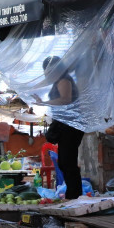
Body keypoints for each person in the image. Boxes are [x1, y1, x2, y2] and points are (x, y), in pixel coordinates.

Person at [41, 55, 85, 200]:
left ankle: (75, 196)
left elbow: (65, 99)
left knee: (67, 162)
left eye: (49, 72)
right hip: (66, 125)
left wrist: (45, 103)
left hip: (71, 126)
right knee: (65, 162)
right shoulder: (58, 81)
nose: (47, 75)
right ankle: (73, 195)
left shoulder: (64, 80)